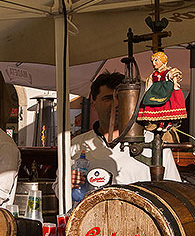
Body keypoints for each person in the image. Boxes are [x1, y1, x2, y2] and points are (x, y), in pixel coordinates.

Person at [52, 72, 180, 198]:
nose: (116, 104)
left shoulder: (153, 144)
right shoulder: (76, 145)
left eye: (121, 97)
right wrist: (67, 184)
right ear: (94, 103)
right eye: (108, 98)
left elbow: (174, 191)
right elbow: (59, 191)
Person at [138, 51, 188, 133]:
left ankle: (168, 122)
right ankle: (160, 122)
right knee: (155, 106)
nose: (154, 63)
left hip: (166, 90)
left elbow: (174, 75)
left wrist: (175, 84)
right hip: (156, 91)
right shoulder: (153, 74)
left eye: (156, 60)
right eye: (152, 61)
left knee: (167, 106)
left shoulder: (168, 71)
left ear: (163, 61)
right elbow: (149, 83)